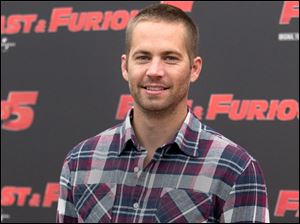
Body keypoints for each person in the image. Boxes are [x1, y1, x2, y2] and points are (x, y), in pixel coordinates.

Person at [57, 3, 269, 223]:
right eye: (143, 57)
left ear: (194, 69)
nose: (154, 71)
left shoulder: (235, 169)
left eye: (170, 58)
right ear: (125, 67)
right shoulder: (81, 162)